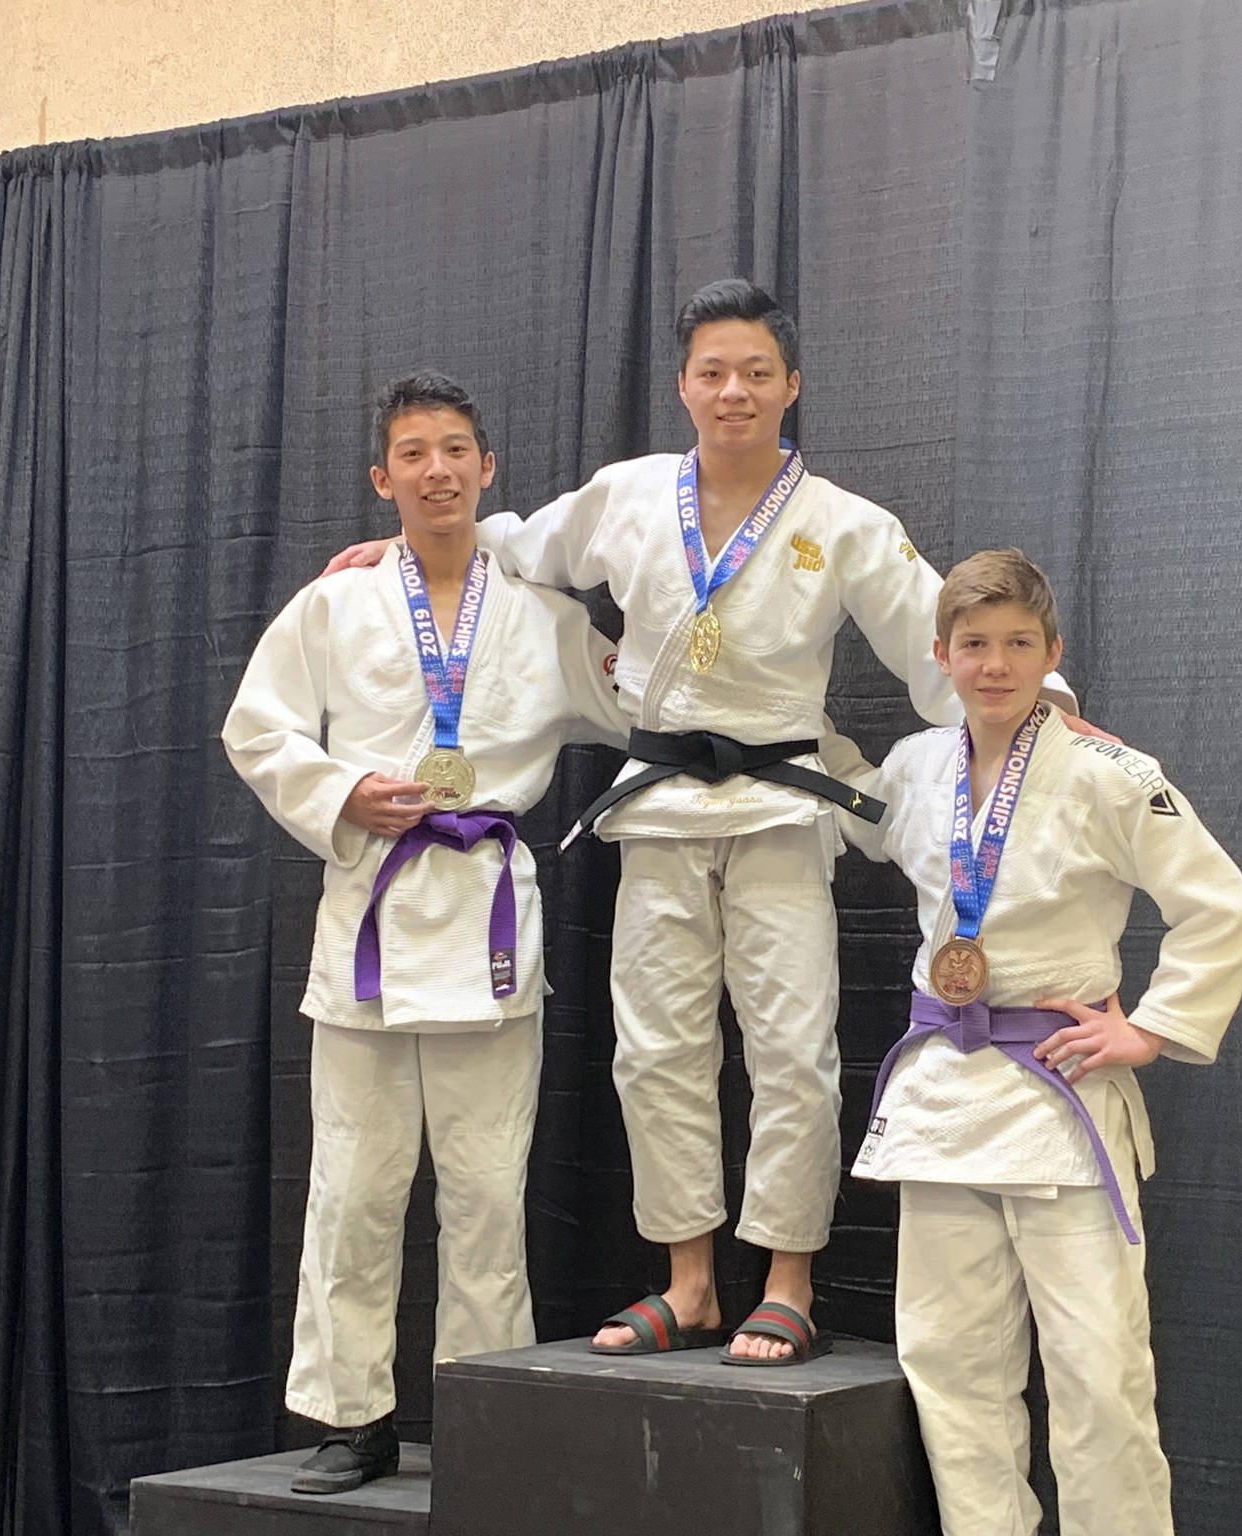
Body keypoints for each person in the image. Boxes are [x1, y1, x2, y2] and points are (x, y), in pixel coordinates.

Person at [322, 280, 1096, 1364]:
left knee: (789, 1049)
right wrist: (400, 551)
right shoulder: (628, 496)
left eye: (755, 373)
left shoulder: (844, 526)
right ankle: (686, 1280)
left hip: (781, 809)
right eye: (712, 373)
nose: (733, 392)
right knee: (655, 1052)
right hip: (658, 812)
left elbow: (942, 653)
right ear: (683, 386)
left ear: (791, 388)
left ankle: (787, 1280)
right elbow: (514, 546)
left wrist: (1051, 717)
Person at [223, 373, 630, 1491]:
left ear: (487, 470)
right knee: (353, 1185)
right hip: (368, 917)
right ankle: (350, 1416)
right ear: (382, 477)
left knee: (489, 1190)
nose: (437, 469)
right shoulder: (333, 607)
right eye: (413, 452)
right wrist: (338, 792)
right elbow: (255, 731)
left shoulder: (545, 618)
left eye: (456, 448)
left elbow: (643, 700)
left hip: (488, 924)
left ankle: (479, 1411)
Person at [818, 549, 1242, 1534]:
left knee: (1097, 1376)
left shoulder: (1111, 774)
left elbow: (1218, 904)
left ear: (1051, 653)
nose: (994, 663)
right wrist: (774, 732)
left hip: (1057, 1098)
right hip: (943, 1100)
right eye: (972, 644)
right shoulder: (918, 765)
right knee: (950, 1368)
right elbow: (864, 817)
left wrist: (1147, 1029)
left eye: (1017, 643)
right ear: (940, 656)